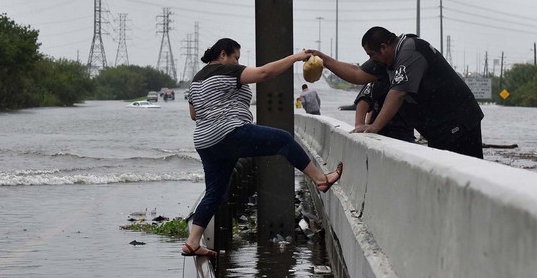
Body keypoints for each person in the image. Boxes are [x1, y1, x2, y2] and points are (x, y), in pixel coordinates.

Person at [183, 38, 344, 257]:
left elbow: (194, 115)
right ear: (223, 55)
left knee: (215, 192)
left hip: (205, 141)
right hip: (229, 133)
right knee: (283, 140)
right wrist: (296, 57)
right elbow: (264, 74)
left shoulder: (196, 80)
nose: (238, 62)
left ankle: (193, 242)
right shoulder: (226, 71)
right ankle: (321, 180)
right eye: (236, 57)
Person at [306, 26, 484, 158]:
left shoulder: (410, 51)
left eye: (371, 54)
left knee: (469, 175)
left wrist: (374, 127)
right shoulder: (387, 61)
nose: (371, 59)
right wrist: (323, 59)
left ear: (384, 47)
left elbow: (398, 93)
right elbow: (356, 73)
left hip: (460, 121)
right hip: (438, 128)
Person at [353, 73, 415, 142]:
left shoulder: (409, 76)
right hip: (380, 132)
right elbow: (364, 98)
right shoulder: (381, 75)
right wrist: (359, 124)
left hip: (405, 133)